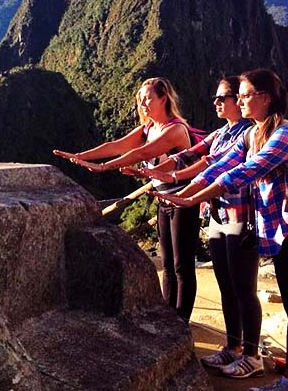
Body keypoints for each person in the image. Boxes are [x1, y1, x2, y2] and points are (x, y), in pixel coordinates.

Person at [151, 69, 288, 391]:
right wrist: (184, 190)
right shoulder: (253, 134)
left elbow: (245, 172)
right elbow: (221, 164)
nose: (241, 100)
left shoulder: (284, 135)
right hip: (282, 234)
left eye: (245, 95)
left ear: (265, 98)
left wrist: (191, 198)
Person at [123, 76, 262, 378]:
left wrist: (178, 187)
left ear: (237, 100)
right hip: (218, 215)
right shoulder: (221, 133)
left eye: (223, 97)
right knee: (226, 286)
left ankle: (252, 355)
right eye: (217, 97)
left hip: (242, 216)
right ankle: (233, 346)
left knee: (244, 288)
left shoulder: (250, 134)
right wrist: (149, 171)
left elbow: (214, 168)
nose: (216, 102)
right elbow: (189, 156)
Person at [53, 77, 201, 321]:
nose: (142, 103)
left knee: (181, 265)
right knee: (168, 264)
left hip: (184, 199)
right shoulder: (148, 128)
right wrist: (81, 156)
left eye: (148, 98)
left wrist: (103, 168)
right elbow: (117, 146)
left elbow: (141, 153)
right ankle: (168, 315)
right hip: (163, 200)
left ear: (163, 99)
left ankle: (181, 320)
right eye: (140, 99)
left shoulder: (175, 130)